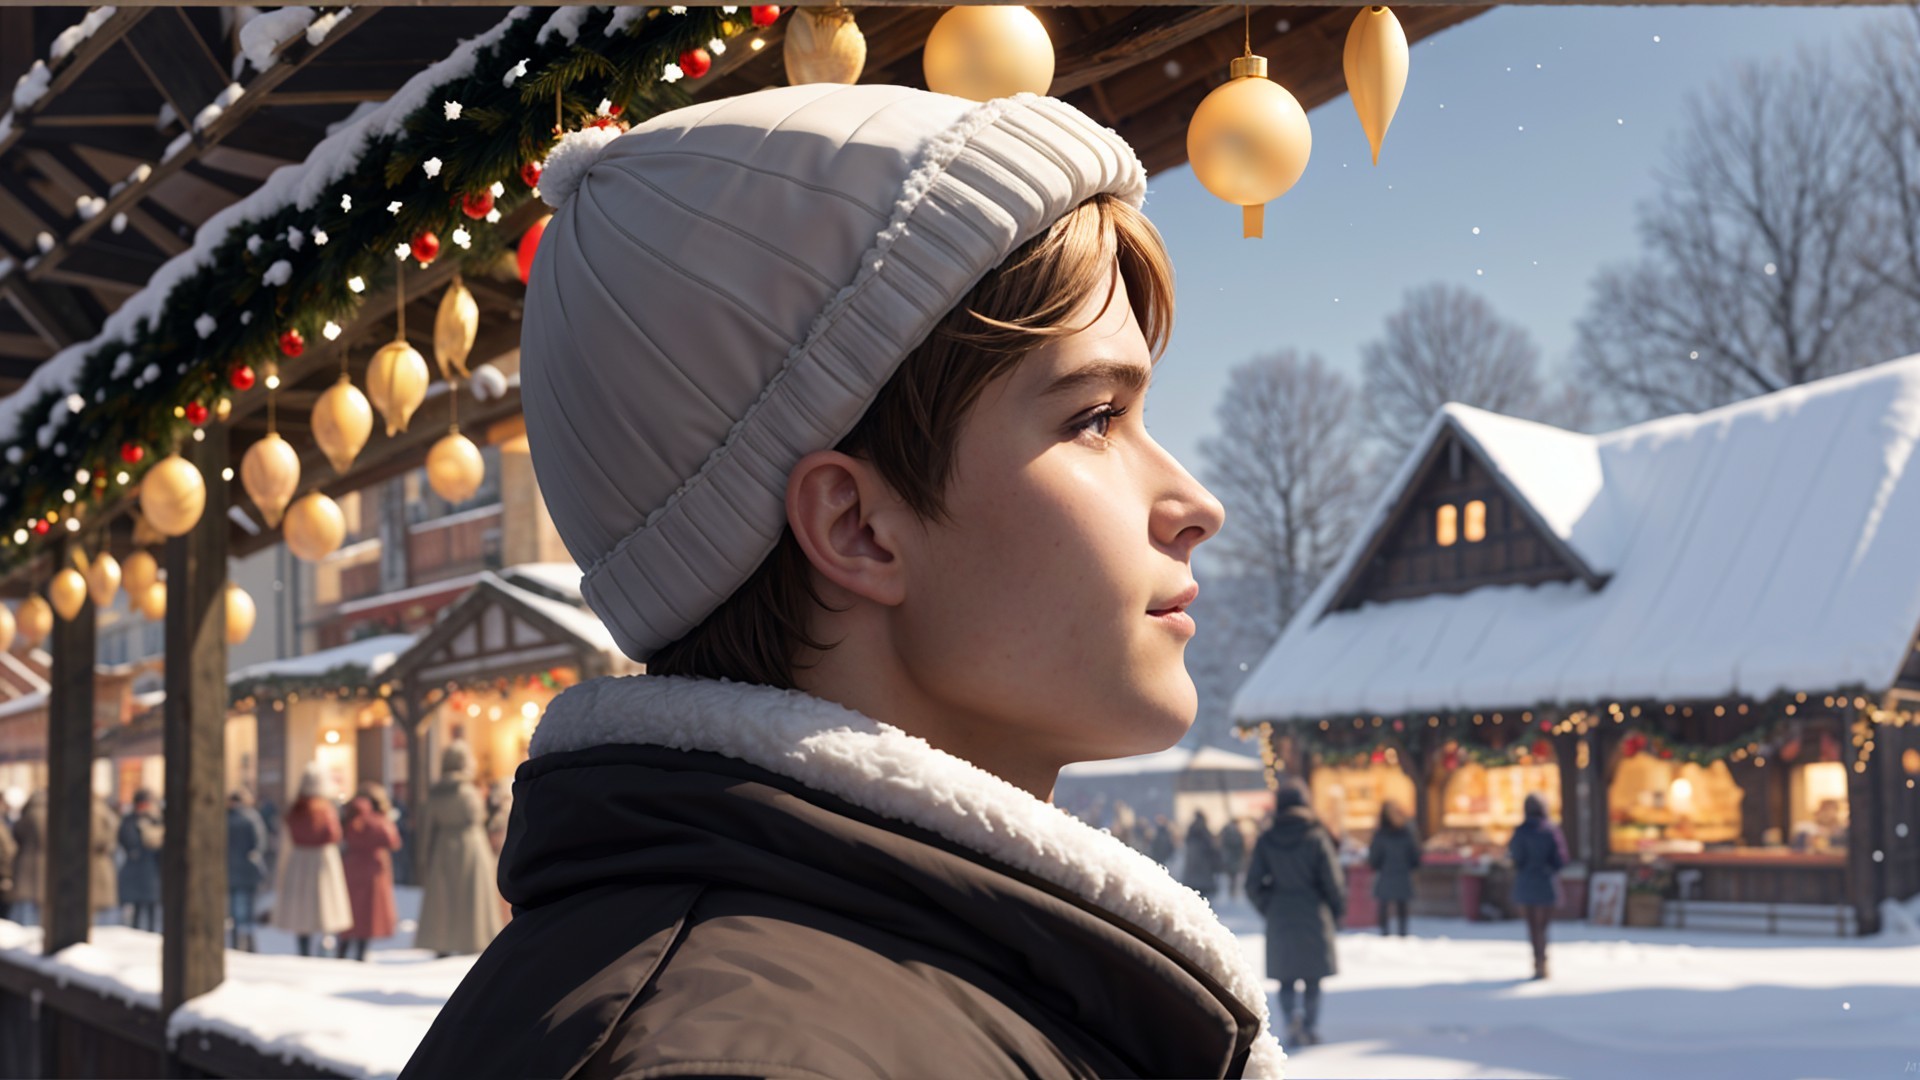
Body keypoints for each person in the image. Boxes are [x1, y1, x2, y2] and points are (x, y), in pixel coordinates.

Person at [401, 84, 1282, 1079]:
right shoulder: (728, 1057)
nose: (1195, 502)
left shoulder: (823, 988)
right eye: (1092, 418)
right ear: (857, 527)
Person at [1248, 781, 1345, 1048]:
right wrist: (1336, 910)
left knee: (1286, 977)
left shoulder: (1267, 838)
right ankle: (1310, 1027)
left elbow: (1252, 883)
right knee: (1313, 977)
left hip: (1280, 912)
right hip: (1313, 911)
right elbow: (1332, 880)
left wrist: (1269, 905)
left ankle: (1291, 1019)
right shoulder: (1316, 836)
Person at [414, 742, 503, 957]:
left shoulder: (436, 791)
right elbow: (477, 816)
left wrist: (423, 857)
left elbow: (426, 827)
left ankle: (442, 940)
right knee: (471, 896)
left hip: (444, 847)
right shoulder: (466, 790)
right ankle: (473, 939)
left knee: (444, 898)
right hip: (471, 844)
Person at [274, 763, 353, 956]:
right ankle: (323, 948)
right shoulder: (324, 809)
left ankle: (306, 948)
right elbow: (334, 834)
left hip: (300, 859)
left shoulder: (295, 809)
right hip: (321, 860)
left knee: (304, 908)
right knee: (323, 907)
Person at [339, 783, 402, 961]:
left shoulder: (349, 815)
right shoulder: (377, 820)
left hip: (350, 867)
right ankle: (360, 953)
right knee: (366, 914)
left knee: (350, 912)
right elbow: (392, 840)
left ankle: (342, 952)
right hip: (372, 870)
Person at [1509, 792, 1567, 980]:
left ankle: (1537, 960)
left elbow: (1516, 857)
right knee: (1543, 926)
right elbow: (1561, 859)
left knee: (1533, 927)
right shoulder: (1550, 830)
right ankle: (1543, 960)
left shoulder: (1521, 831)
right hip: (1545, 882)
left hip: (1526, 882)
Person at [1368, 801, 1422, 937]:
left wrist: (1378, 866)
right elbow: (1415, 856)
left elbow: (1374, 858)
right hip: (1402, 874)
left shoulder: (1380, 834)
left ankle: (1384, 933)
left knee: (1384, 905)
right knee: (1401, 905)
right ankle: (1402, 933)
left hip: (1386, 874)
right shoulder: (1407, 833)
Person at [227, 789, 268, 952]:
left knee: (235, 911)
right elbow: (259, 844)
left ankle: (238, 942)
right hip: (247, 872)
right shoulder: (251, 818)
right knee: (246, 911)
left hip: (231, 871)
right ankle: (247, 944)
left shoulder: (226, 818)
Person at [116, 789, 164, 931]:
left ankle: (150, 932)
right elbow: (126, 840)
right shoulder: (130, 821)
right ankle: (136, 932)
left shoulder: (156, 820)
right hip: (137, 869)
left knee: (152, 906)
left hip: (152, 869)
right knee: (137, 906)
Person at [5, 789, 44, 925]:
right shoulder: (53, 814)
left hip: (26, 864)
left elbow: (16, 835)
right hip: (45, 865)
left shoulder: (29, 815)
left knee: (26, 908)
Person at [89, 790, 118, 922]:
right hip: (100, 861)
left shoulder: (95, 812)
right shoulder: (104, 811)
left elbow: (97, 838)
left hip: (94, 862)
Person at [1183, 813, 1222, 900]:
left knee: (1194, 898)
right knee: (1204, 898)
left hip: (1194, 872)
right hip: (1204, 871)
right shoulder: (1205, 833)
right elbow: (1212, 850)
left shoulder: (1191, 832)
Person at [1218, 816, 1248, 900]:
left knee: (1233, 875)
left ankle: (1232, 890)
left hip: (1232, 857)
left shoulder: (1228, 831)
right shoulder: (1232, 832)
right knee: (1232, 875)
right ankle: (1232, 891)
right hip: (1232, 857)